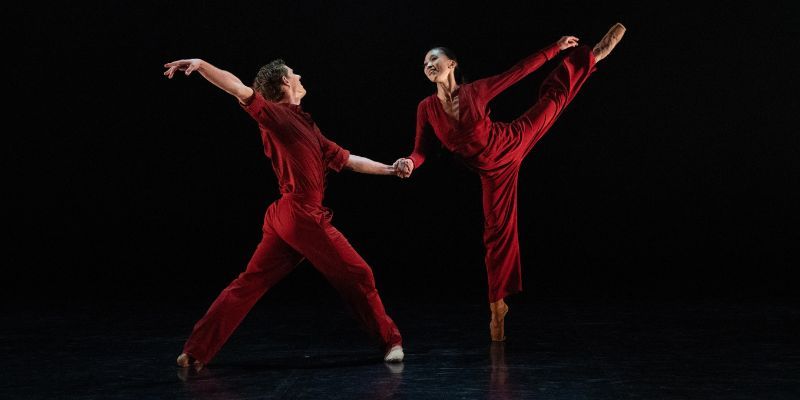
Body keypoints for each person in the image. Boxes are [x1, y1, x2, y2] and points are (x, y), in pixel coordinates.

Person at [163, 57, 405, 370]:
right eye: (293, 73)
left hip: (284, 218)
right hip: (302, 214)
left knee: (248, 283)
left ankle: (195, 351)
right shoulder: (274, 115)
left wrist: (390, 169)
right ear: (283, 84)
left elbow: (347, 160)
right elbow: (237, 87)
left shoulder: (307, 125)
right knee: (360, 274)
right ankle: (391, 341)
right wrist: (201, 64)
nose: (300, 74)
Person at [393, 23, 626, 341]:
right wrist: (409, 163)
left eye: (434, 58)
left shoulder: (475, 91)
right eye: (424, 63)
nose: (429, 64)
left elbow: (517, 72)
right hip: (493, 173)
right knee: (496, 234)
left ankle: (592, 56)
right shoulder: (426, 109)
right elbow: (420, 152)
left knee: (554, 101)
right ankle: (497, 309)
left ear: (452, 64)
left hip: (512, 141)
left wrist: (555, 48)